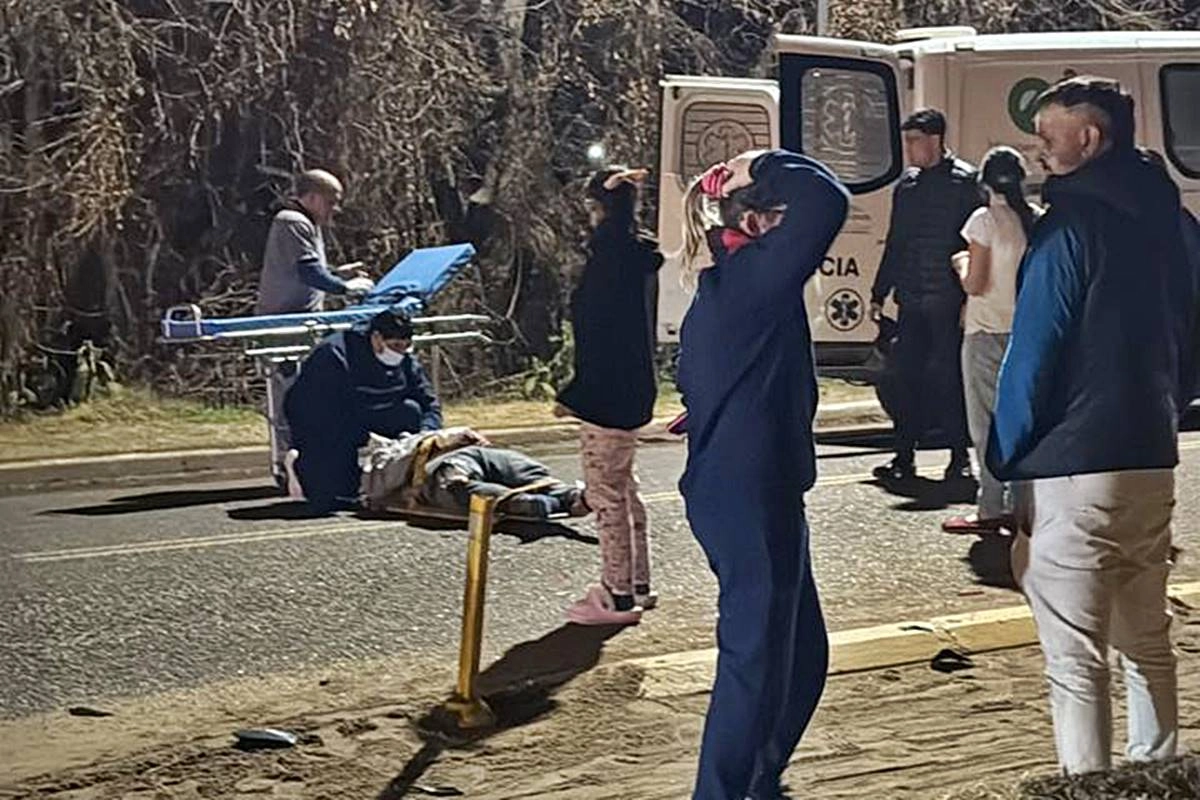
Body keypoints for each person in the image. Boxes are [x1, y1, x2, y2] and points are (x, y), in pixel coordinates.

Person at [988, 76, 1197, 775]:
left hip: (1074, 465)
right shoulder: (1170, 220)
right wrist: (1167, 405)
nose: (1037, 150)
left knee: (1076, 657)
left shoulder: (1069, 228)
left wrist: (1006, 456)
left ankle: (1089, 785)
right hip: (1151, 452)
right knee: (1148, 638)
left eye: (1048, 136)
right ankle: (1159, 772)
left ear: (1089, 137)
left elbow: (1033, 353)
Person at [676, 149, 848, 800]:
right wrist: (765, 163)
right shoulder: (752, 280)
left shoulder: (734, 285)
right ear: (753, 222)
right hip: (747, 493)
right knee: (755, 661)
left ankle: (759, 779)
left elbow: (698, 377)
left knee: (801, 656)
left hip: (757, 487)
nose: (790, 230)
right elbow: (827, 201)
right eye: (779, 216)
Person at [556, 166, 664, 626]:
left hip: (606, 393)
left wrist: (575, 392)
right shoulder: (640, 256)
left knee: (605, 493)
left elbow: (597, 334)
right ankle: (638, 581)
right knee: (624, 487)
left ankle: (617, 594)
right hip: (635, 386)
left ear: (598, 207)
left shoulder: (606, 259)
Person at [870, 109, 984, 483]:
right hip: (912, 297)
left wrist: (970, 298)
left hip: (949, 299)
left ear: (935, 140)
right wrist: (879, 291)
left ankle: (959, 457)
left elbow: (976, 244)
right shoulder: (908, 185)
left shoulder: (965, 183)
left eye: (915, 141)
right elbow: (897, 240)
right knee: (905, 378)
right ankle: (903, 456)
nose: (909, 149)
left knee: (948, 378)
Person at [942, 147, 1040, 535]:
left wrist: (961, 263)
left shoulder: (983, 221)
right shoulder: (1034, 220)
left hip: (985, 332)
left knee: (985, 426)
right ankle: (1023, 505)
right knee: (1022, 423)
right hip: (1025, 332)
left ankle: (990, 508)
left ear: (983, 182)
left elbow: (976, 283)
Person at [256, 169, 375, 487]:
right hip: (286, 325)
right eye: (331, 201)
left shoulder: (306, 224)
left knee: (312, 395)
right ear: (311, 197)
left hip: (303, 324)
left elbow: (311, 268)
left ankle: (311, 460)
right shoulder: (292, 222)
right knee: (290, 398)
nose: (335, 209)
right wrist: (345, 288)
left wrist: (339, 274)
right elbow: (308, 272)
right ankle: (288, 462)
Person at [284, 307, 442, 514]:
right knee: (333, 495)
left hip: (377, 411)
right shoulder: (334, 355)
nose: (399, 352)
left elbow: (429, 403)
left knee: (411, 411)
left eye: (406, 346)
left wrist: (426, 436)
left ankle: (399, 478)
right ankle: (303, 465)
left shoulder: (406, 361)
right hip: (329, 417)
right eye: (394, 345)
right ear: (376, 338)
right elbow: (312, 410)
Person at [355, 428, 589, 519]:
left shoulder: (406, 439)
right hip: (445, 468)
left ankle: (565, 495)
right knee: (457, 484)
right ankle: (525, 501)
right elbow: (386, 477)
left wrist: (446, 437)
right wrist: (432, 442)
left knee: (519, 468)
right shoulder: (378, 459)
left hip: (468, 454)